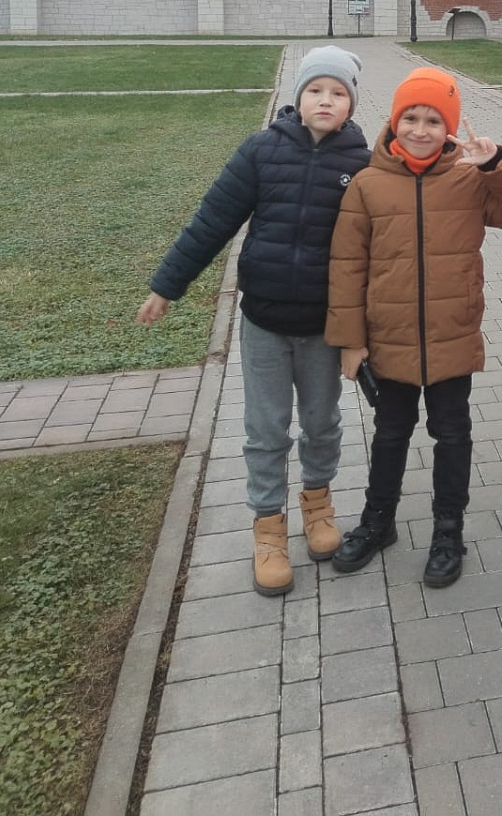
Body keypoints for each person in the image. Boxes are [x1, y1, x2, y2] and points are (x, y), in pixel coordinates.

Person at [137, 46, 370, 597]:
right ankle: (268, 526)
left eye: (338, 93)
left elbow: (378, 252)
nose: (325, 100)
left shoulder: (361, 163)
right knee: (266, 429)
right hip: (264, 321)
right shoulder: (262, 151)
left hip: (322, 327)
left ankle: (318, 504)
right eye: (316, 90)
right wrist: (168, 286)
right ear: (298, 96)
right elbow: (213, 218)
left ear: (352, 103)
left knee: (321, 422)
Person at [326, 66, 502, 588]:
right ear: (394, 124)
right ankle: (378, 521)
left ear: (451, 128)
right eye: (410, 118)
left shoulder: (467, 178)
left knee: (452, 434)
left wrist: (498, 165)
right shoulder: (369, 186)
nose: (420, 130)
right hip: (388, 338)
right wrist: (350, 342)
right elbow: (347, 266)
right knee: (391, 433)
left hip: (452, 333)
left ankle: (448, 530)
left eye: (434, 120)